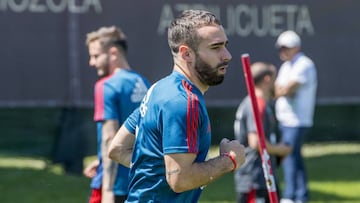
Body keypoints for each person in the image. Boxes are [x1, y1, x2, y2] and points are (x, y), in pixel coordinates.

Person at [108, 9, 246, 202]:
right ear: (186, 53)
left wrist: (163, 171)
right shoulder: (183, 102)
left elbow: (117, 148)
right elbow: (180, 180)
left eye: (225, 45)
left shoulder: (159, 89)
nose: (227, 55)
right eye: (216, 47)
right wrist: (229, 160)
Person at [83, 26, 150, 203]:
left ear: (113, 53)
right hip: (143, 182)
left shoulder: (106, 86)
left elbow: (109, 137)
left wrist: (107, 189)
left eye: (96, 56)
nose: (91, 62)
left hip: (117, 185)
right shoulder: (143, 82)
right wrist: (100, 160)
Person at [233, 62, 292, 203]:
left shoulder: (259, 104)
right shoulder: (256, 104)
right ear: (267, 80)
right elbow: (255, 142)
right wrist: (281, 150)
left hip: (263, 176)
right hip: (256, 176)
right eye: (275, 79)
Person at [274, 30, 317, 203]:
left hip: (297, 120)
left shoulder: (304, 64)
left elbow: (285, 90)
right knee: (293, 158)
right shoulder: (286, 66)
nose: (283, 51)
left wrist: (284, 90)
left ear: (297, 47)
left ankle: (291, 196)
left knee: (289, 157)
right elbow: (278, 91)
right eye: (281, 48)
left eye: (287, 47)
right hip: (286, 119)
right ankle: (300, 196)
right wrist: (283, 91)